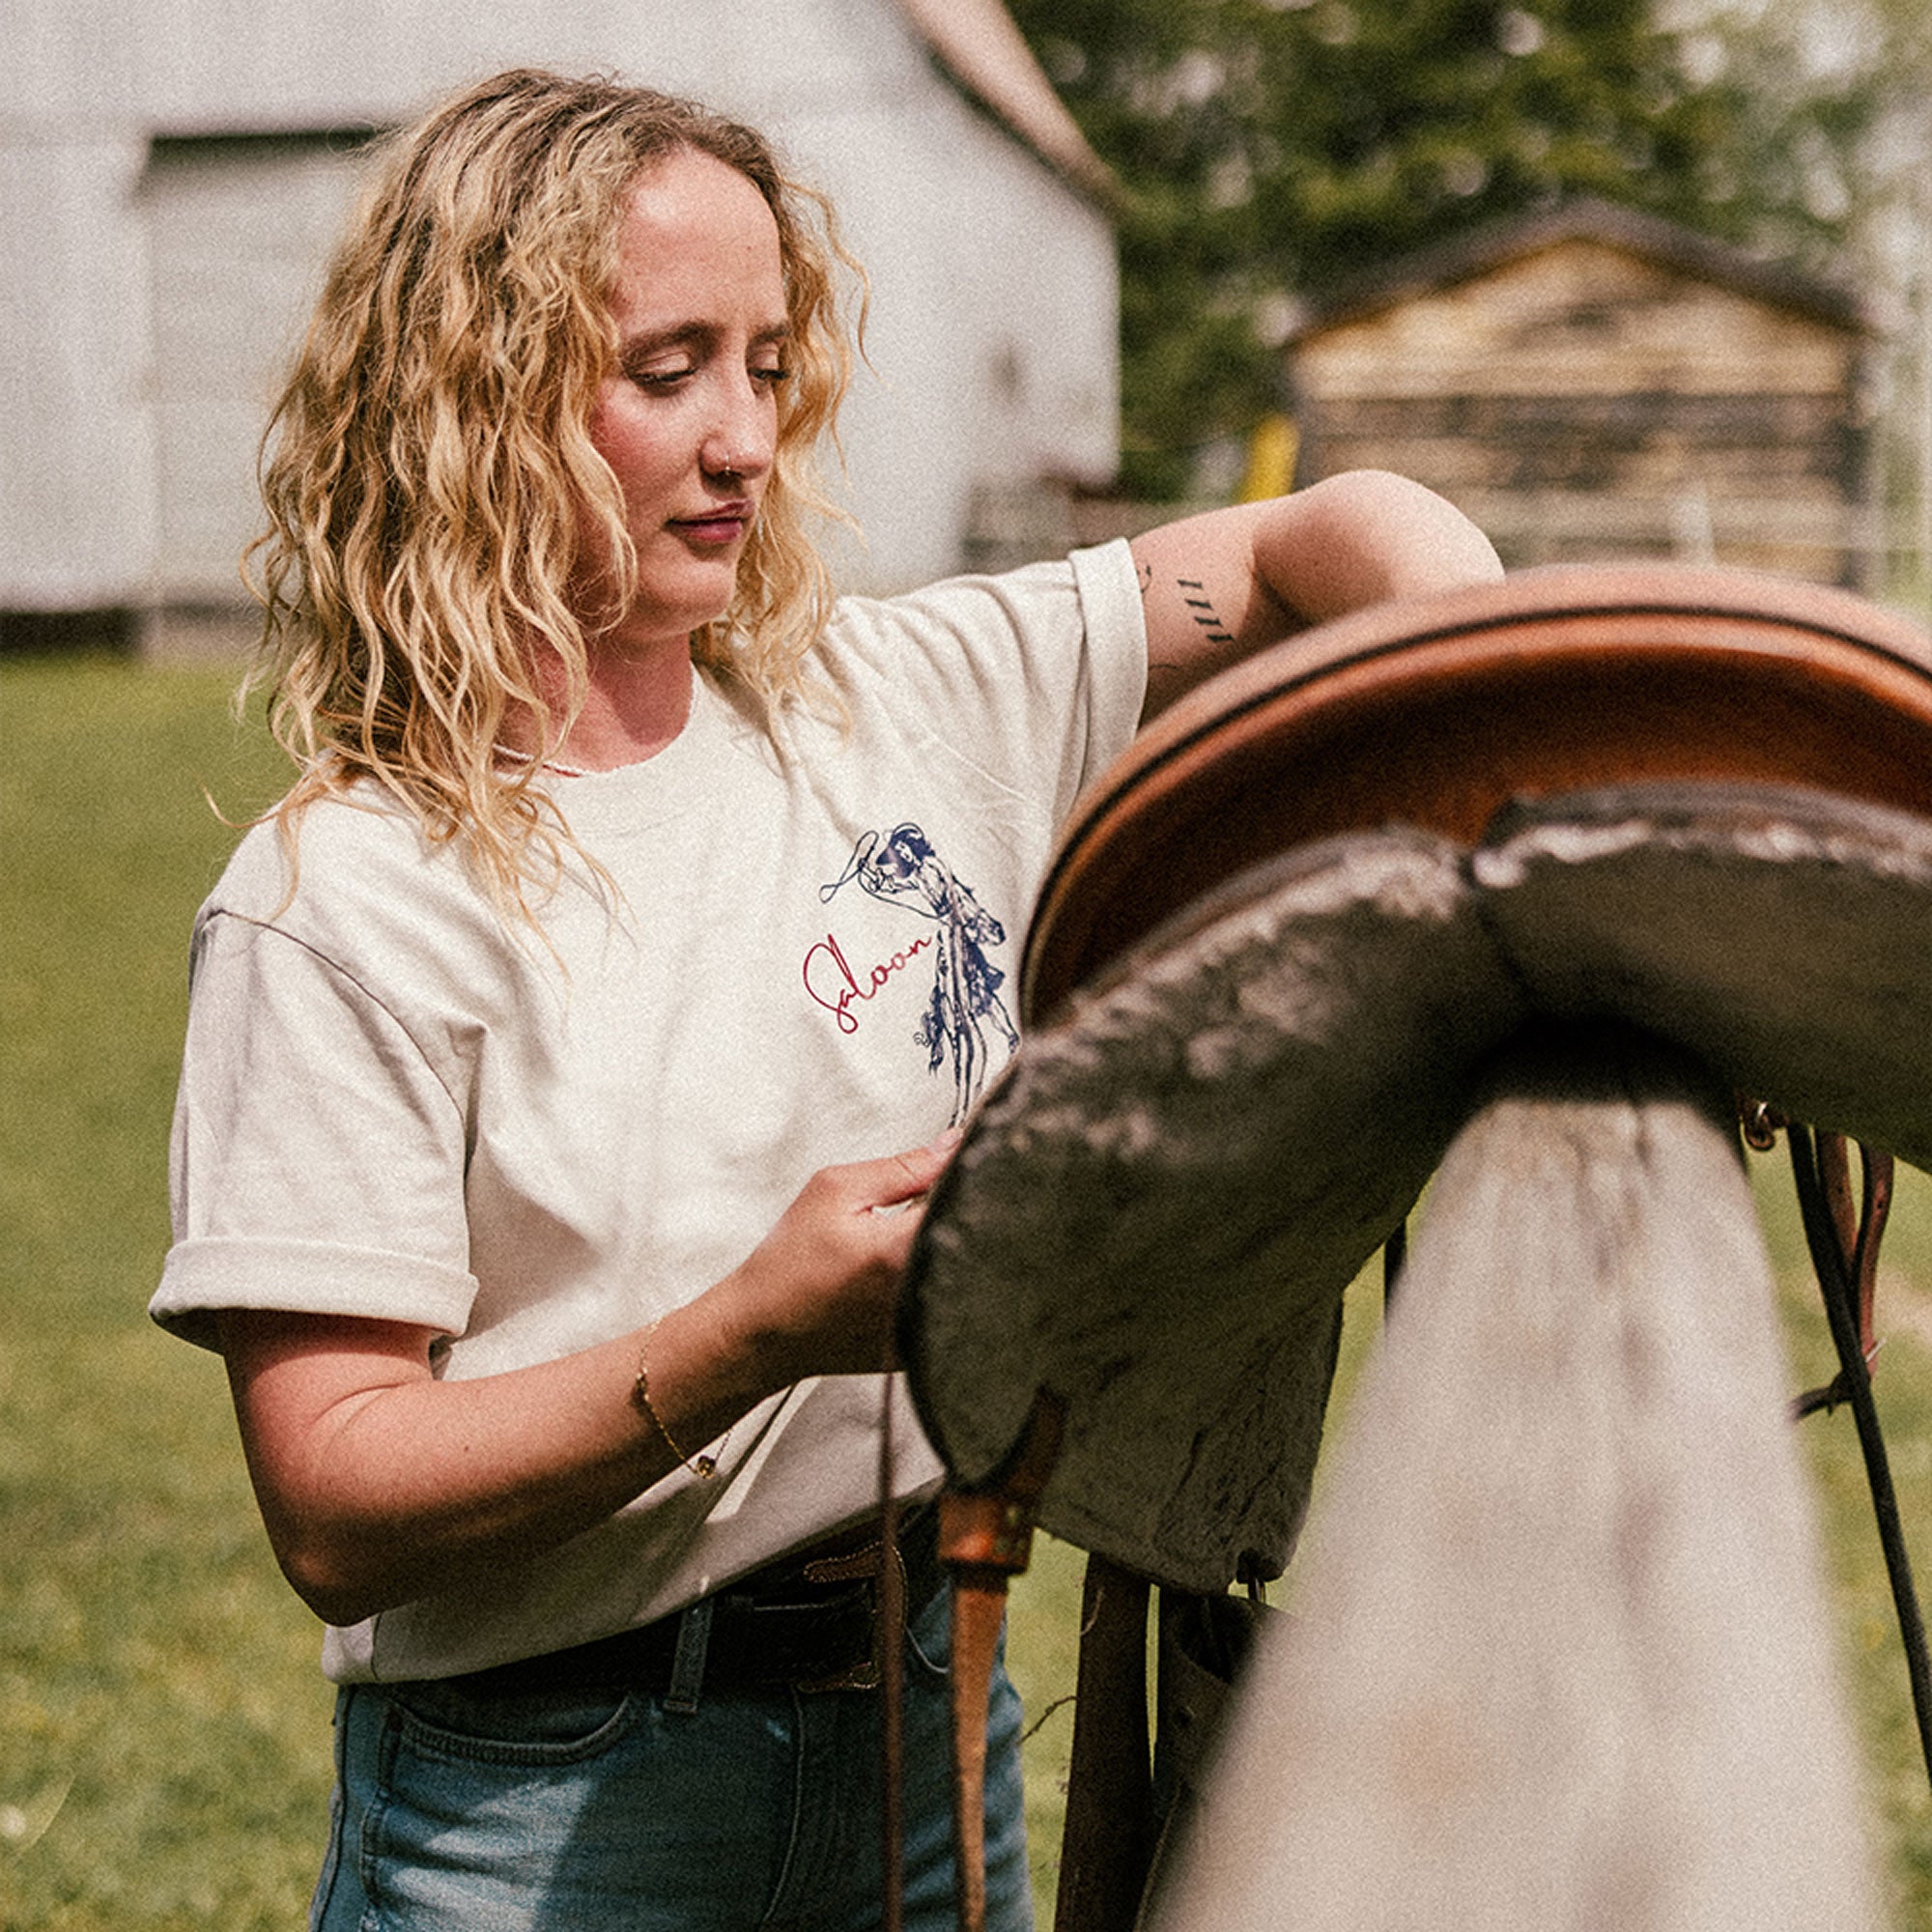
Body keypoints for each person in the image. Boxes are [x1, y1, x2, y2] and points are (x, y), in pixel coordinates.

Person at [149, 66, 1502, 1932]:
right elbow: (335, 1497)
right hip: (553, 1808)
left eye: (769, 365)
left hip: (932, 1721)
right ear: (470, 400)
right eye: (667, 367)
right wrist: (753, 1330)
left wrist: (1489, 677)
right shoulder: (345, 902)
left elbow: (1310, 546)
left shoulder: (898, 695)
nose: (745, 442)